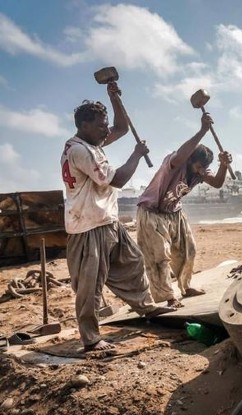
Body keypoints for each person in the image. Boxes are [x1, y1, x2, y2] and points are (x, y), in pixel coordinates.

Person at [60, 82, 174, 352]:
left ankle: (145, 308)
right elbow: (118, 179)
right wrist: (136, 155)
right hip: (87, 226)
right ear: (84, 125)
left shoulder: (92, 141)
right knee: (90, 286)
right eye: (101, 125)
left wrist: (115, 99)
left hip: (107, 220)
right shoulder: (81, 151)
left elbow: (122, 129)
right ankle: (91, 337)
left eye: (105, 124)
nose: (105, 129)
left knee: (133, 263)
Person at [136, 113, 232, 308]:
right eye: (198, 167)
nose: (201, 171)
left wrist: (223, 165)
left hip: (174, 213)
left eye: (204, 168)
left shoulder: (201, 172)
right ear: (190, 160)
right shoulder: (174, 163)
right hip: (151, 213)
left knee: (189, 250)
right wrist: (203, 131)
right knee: (159, 257)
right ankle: (169, 297)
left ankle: (186, 287)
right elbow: (182, 153)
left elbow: (217, 182)